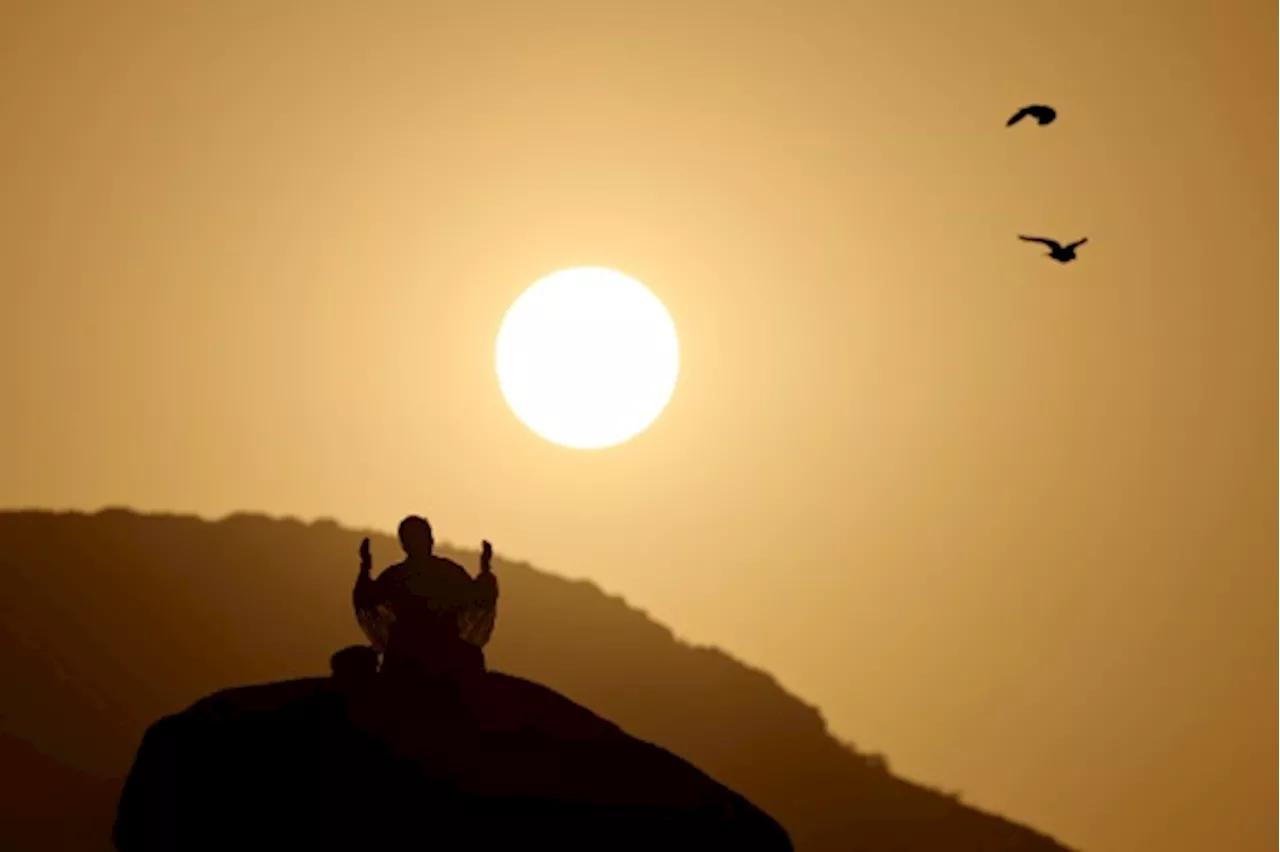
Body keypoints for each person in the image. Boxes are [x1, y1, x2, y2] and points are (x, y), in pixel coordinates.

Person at [353, 516, 498, 674]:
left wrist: (485, 571)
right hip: (418, 650)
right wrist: (365, 569)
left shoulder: (398, 575)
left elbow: (479, 596)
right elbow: (367, 596)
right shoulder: (444, 572)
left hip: (438, 647)